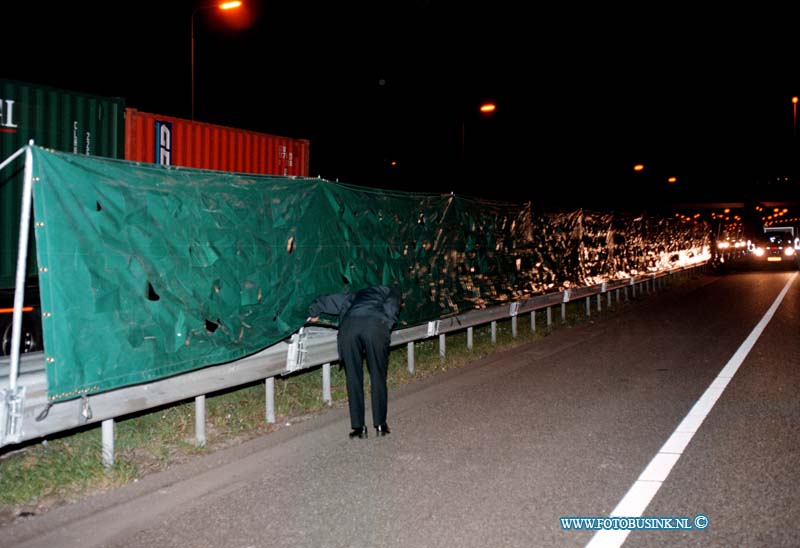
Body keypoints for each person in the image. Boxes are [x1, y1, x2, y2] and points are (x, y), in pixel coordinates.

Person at [307, 284, 402, 439]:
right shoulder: (392, 290)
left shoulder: (355, 295)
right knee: (377, 374)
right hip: (374, 325)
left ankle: (358, 428)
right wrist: (385, 325)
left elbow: (329, 301)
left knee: (353, 377)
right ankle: (380, 424)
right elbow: (392, 306)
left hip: (349, 327)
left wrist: (314, 311)